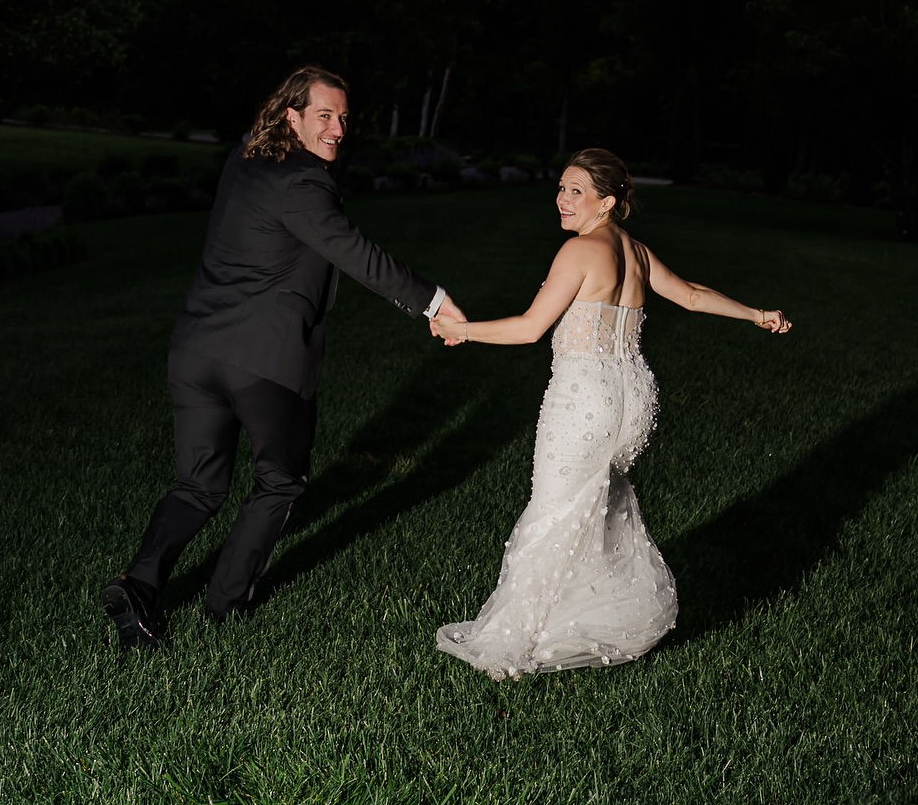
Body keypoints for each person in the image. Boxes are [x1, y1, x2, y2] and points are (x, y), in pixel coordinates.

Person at [102, 64, 465, 647]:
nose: (339, 129)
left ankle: (140, 584)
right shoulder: (304, 182)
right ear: (292, 115)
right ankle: (223, 608)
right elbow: (354, 252)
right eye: (324, 115)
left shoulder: (245, 157)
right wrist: (433, 303)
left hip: (195, 350)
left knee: (198, 485)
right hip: (264, 360)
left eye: (344, 118)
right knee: (280, 479)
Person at [430, 147, 791, 679]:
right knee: (590, 508)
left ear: (608, 201)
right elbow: (690, 296)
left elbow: (531, 328)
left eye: (576, 190)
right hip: (634, 398)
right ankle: (583, 617)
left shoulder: (580, 252)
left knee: (554, 511)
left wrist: (462, 330)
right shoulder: (637, 252)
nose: (562, 199)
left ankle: (513, 643)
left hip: (585, 398)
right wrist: (756, 313)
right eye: (561, 187)